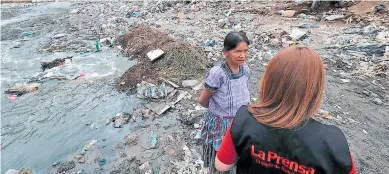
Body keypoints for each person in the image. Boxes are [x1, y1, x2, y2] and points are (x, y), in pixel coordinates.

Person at [215, 46, 357, 174]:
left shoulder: (244, 119)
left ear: (269, 81)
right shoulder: (332, 142)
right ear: (314, 89)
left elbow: (221, 166)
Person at [199, 31, 251, 174]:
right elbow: (203, 100)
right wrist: (218, 114)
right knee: (219, 159)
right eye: (238, 51)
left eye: (245, 51)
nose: (243, 55)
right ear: (226, 52)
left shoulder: (245, 70)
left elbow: (245, 92)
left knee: (236, 156)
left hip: (240, 122)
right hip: (220, 125)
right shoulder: (217, 73)